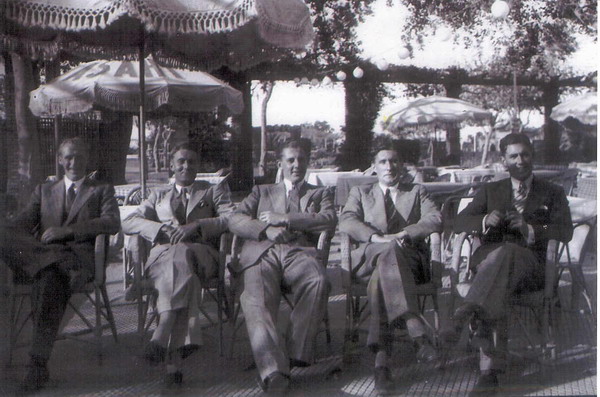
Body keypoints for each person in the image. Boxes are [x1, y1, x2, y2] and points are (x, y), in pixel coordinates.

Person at [447, 133, 573, 395]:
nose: (520, 161)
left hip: (531, 266)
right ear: (504, 159)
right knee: (502, 262)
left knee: (509, 253)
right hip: (490, 262)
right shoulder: (491, 190)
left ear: (532, 156)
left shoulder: (553, 192)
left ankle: (484, 358)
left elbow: (564, 229)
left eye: (525, 154)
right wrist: (483, 219)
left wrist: (532, 228)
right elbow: (457, 222)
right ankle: (487, 371)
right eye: (513, 156)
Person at [0, 137, 120, 393]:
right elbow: (20, 225)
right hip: (49, 260)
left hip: (78, 259)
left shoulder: (100, 189)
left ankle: (37, 366)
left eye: (79, 157)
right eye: (68, 157)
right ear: (59, 159)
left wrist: (66, 232)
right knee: (7, 237)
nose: (74, 162)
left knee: (47, 278)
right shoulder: (44, 191)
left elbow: (111, 223)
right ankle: (38, 364)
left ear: (87, 160)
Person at [228, 140, 336, 394]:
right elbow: (234, 219)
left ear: (308, 163)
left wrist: (286, 219)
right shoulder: (261, 191)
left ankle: (296, 352)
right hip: (262, 253)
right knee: (256, 298)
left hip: (299, 253)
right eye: (291, 160)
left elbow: (329, 219)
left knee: (318, 280)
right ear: (281, 164)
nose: (296, 165)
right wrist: (266, 228)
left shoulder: (319, 193)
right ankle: (273, 371)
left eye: (301, 160)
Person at [122, 142, 234, 387]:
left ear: (198, 166)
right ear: (171, 166)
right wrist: (160, 228)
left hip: (203, 256)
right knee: (187, 279)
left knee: (181, 254)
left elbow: (231, 218)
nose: (186, 166)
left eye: (191, 161)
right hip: (164, 260)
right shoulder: (157, 194)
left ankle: (162, 333)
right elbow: (129, 221)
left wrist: (198, 226)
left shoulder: (212, 191)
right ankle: (174, 362)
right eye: (181, 161)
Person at [339, 144, 442, 394]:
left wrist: (405, 234)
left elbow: (435, 218)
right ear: (374, 167)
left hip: (409, 263)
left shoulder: (417, 191)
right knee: (387, 252)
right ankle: (414, 328)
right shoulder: (360, 193)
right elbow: (347, 220)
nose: (389, 166)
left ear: (401, 166)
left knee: (382, 275)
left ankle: (381, 363)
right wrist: (376, 239)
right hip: (371, 254)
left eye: (394, 161)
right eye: (383, 161)